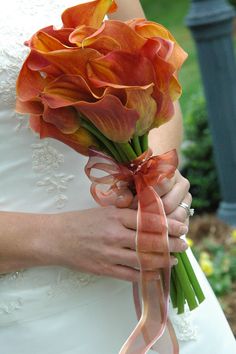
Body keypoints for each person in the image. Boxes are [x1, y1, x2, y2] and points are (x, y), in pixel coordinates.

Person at [0, 0, 235, 353]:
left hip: (156, 273)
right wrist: (54, 237)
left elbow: (157, 80)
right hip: (37, 313)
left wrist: (154, 176)